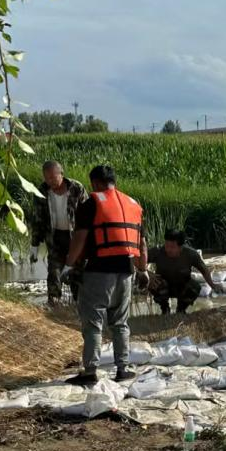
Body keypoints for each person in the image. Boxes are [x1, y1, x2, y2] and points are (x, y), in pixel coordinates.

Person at [64, 165, 147, 385]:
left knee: (93, 322)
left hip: (99, 272)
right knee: (120, 322)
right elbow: (142, 243)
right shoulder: (134, 204)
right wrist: (143, 270)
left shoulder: (91, 204)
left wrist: (68, 265)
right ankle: (123, 369)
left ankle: (90, 371)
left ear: (95, 183)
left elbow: (79, 238)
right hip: (126, 273)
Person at [29, 160, 86, 306]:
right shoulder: (41, 192)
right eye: (47, 178)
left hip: (75, 238)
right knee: (54, 272)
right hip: (54, 238)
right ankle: (53, 305)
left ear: (61, 174)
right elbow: (38, 220)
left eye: (53, 178)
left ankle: (79, 306)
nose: (50, 182)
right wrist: (34, 245)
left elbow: (87, 217)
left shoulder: (76, 188)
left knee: (77, 273)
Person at [150, 230, 217, 315]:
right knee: (155, 282)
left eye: (172, 247)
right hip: (163, 286)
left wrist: (212, 285)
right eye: (166, 245)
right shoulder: (157, 251)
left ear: (181, 247)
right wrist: (149, 274)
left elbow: (204, 270)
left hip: (182, 286)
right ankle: (165, 309)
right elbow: (138, 259)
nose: (168, 249)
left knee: (195, 287)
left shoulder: (191, 254)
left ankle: (181, 309)